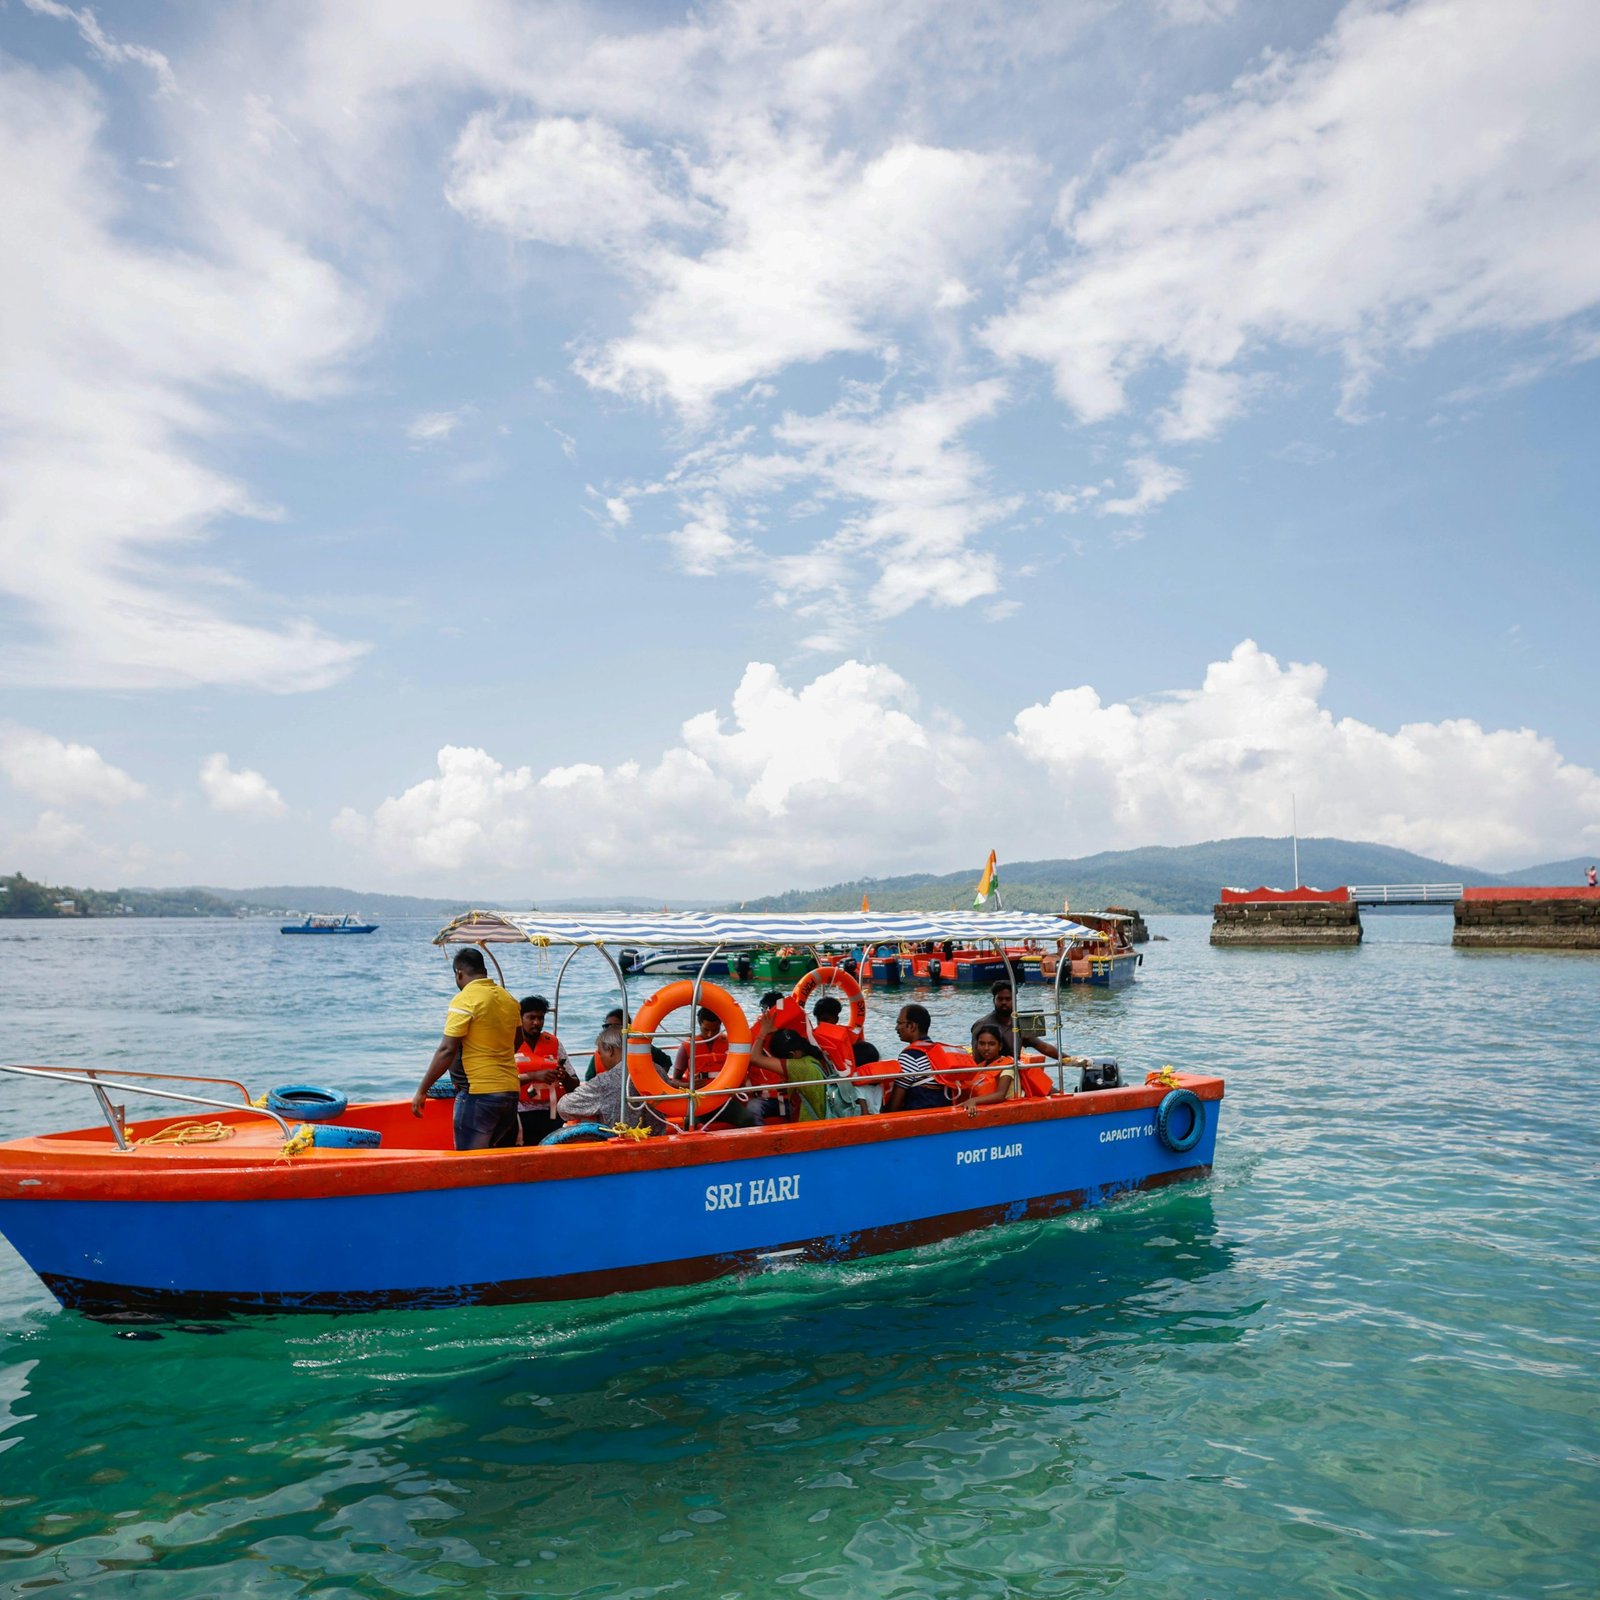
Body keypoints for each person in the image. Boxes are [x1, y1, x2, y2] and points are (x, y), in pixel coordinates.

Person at [412, 947, 521, 1150]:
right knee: (489, 1156)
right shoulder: (509, 999)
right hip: (510, 1094)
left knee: (470, 1161)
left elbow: (447, 1050)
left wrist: (422, 1090)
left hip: (480, 1094)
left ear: (459, 973)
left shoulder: (465, 999)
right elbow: (517, 1040)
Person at [556, 1026, 656, 1133]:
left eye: (600, 1053)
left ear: (610, 1050)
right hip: (657, 1139)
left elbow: (564, 1107)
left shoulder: (605, 1081)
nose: (601, 1058)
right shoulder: (657, 1071)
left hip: (620, 1142)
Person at [515, 995, 573, 1147]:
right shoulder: (508, 1044)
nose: (536, 1023)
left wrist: (564, 1076)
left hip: (552, 1113)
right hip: (520, 1113)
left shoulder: (554, 1044)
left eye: (540, 1018)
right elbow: (501, 1082)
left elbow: (574, 1084)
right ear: (520, 1018)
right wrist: (534, 1076)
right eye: (531, 1017)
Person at [884, 1004, 958, 1113]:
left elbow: (895, 1105)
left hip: (921, 1117)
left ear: (912, 1026)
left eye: (899, 1023)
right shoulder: (937, 1052)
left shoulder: (909, 1056)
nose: (896, 1028)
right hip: (944, 1112)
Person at [970, 979, 1060, 1062]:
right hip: (991, 1072)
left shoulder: (1020, 1023)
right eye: (1000, 999)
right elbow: (976, 1059)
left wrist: (1068, 1059)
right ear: (994, 1000)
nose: (1004, 1002)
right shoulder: (982, 1025)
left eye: (1008, 999)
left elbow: (1044, 1047)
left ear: (1015, 1001)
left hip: (1015, 1070)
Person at [673, 1007, 728, 1084]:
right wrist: (688, 1086)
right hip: (699, 1093)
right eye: (706, 1029)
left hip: (725, 1091)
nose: (710, 1034)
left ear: (720, 1024)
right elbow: (675, 1080)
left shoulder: (730, 1043)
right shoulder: (687, 1046)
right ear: (699, 1024)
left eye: (715, 1030)